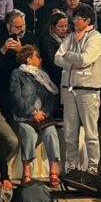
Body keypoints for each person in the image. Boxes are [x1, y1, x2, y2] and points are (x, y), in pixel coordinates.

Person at [55, 5, 101, 174]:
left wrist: (68, 57)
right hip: (68, 89)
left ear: (87, 20)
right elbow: (56, 58)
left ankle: (92, 167)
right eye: (74, 18)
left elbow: (86, 59)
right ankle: (71, 166)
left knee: (91, 132)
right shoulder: (69, 37)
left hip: (88, 89)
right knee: (70, 131)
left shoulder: (95, 37)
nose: (74, 21)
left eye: (78, 18)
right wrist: (72, 62)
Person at [9, 45, 62, 186]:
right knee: (29, 134)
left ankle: (53, 171)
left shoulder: (43, 75)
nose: (41, 59)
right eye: (37, 57)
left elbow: (52, 97)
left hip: (42, 116)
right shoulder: (17, 74)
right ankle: (27, 172)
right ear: (29, 59)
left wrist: (43, 113)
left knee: (51, 133)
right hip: (23, 116)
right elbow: (16, 97)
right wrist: (33, 112)